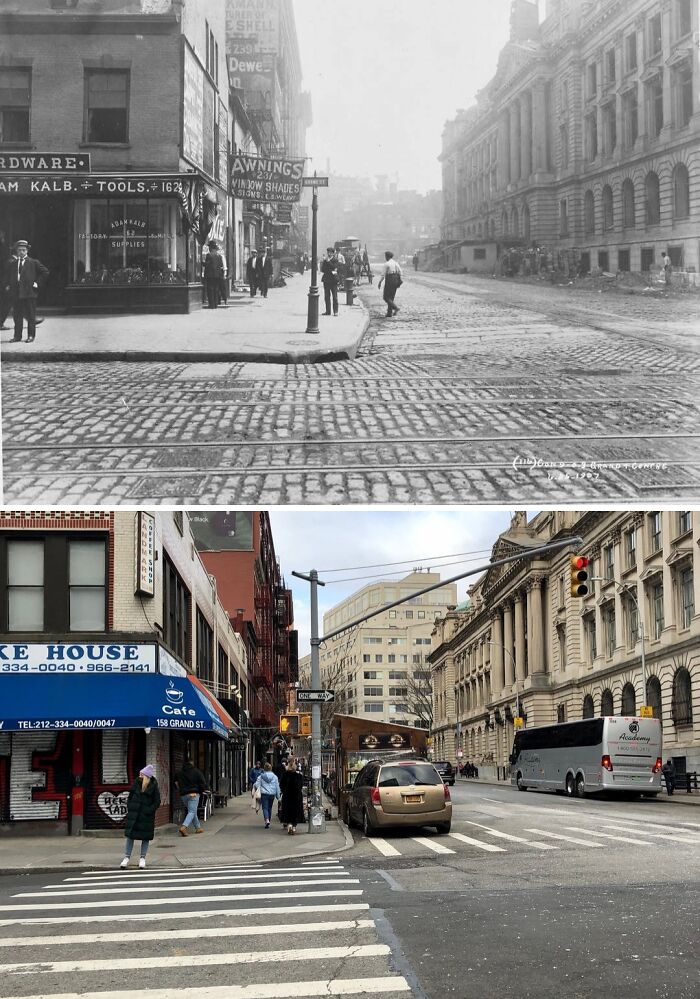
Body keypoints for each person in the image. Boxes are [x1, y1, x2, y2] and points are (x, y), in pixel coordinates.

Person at [4, 239, 49, 342]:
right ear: (16, 251)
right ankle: (17, 336)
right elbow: (9, 276)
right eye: (19, 250)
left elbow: (45, 272)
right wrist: (8, 285)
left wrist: (37, 283)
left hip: (29, 293)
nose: (21, 252)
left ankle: (31, 336)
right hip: (17, 293)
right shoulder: (13, 263)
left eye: (23, 250)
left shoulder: (33, 262)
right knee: (17, 315)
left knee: (30, 315)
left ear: (27, 251)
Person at [120, 764, 161, 869]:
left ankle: (142, 858)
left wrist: (149, 810)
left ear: (146, 776)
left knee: (145, 838)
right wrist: (131, 807)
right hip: (134, 815)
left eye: (141, 774)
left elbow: (157, 802)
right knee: (130, 836)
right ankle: (126, 858)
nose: (139, 776)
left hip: (146, 817)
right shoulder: (136, 784)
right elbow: (130, 797)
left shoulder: (153, 787)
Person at [173, 757, 208, 836]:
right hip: (194, 794)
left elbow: (175, 783)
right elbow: (203, 783)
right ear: (192, 763)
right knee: (192, 811)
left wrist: (181, 790)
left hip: (183, 795)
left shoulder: (179, 773)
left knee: (192, 811)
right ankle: (184, 827)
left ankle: (198, 827)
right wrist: (200, 791)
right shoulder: (197, 772)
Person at [279, 757, 306, 835]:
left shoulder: (284, 775)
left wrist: (284, 791)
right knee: (296, 811)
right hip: (296, 797)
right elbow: (300, 786)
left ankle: (289, 824)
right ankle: (294, 826)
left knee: (287, 811)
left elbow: (281, 785)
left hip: (287, 796)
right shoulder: (299, 776)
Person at [254, 761, 281, 829]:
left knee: (265, 808)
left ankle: (266, 820)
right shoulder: (275, 777)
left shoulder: (261, 776)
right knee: (270, 808)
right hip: (272, 794)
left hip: (264, 794)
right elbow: (277, 787)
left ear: (264, 769)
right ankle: (269, 819)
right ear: (271, 768)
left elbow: (257, 785)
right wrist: (278, 797)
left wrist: (257, 787)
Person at [378, 250, 402, 317]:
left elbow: (383, 275)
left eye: (385, 256)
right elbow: (400, 272)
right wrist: (398, 280)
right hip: (396, 279)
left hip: (389, 279)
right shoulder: (396, 263)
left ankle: (396, 308)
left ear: (387, 256)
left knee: (386, 297)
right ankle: (389, 313)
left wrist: (380, 282)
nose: (385, 257)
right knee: (391, 297)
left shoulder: (387, 264)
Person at [203, 241, 224, 309]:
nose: (209, 248)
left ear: (211, 248)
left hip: (210, 276)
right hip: (217, 276)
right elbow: (221, 265)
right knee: (216, 289)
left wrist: (201, 262)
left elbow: (207, 264)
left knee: (210, 290)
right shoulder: (219, 256)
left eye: (209, 247)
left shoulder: (209, 255)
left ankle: (211, 305)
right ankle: (215, 304)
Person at [320, 247, 339, 316]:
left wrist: (328, 262)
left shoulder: (335, 260)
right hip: (326, 280)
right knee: (327, 296)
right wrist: (330, 269)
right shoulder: (325, 260)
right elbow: (323, 269)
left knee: (335, 297)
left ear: (333, 253)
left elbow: (334, 267)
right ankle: (328, 311)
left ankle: (335, 311)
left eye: (330, 252)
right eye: (328, 252)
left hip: (333, 280)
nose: (329, 254)